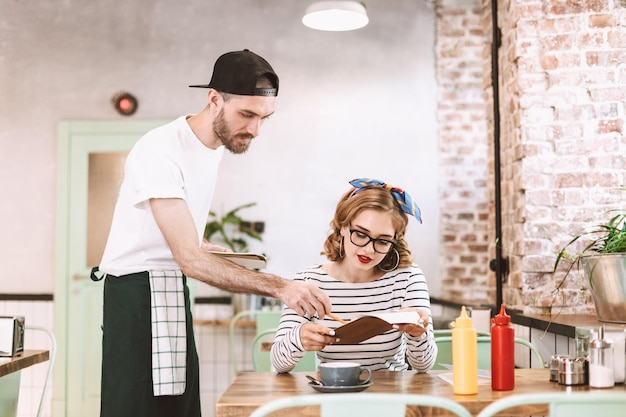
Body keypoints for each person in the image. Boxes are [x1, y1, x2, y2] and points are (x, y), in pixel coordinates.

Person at [94, 49, 331, 417]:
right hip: (137, 295)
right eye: (247, 115)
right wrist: (281, 287)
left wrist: (210, 248)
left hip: (170, 289)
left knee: (179, 408)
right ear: (214, 99)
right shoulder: (160, 150)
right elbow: (187, 258)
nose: (254, 130)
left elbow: (183, 241)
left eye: (264, 118)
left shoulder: (214, 147)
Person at [271, 178, 437, 373]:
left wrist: (418, 335)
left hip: (392, 395)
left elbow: (424, 365)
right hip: (334, 392)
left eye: (383, 241)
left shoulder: (407, 278)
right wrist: (298, 338)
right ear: (342, 226)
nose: (368, 250)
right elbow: (278, 363)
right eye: (360, 234)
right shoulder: (309, 281)